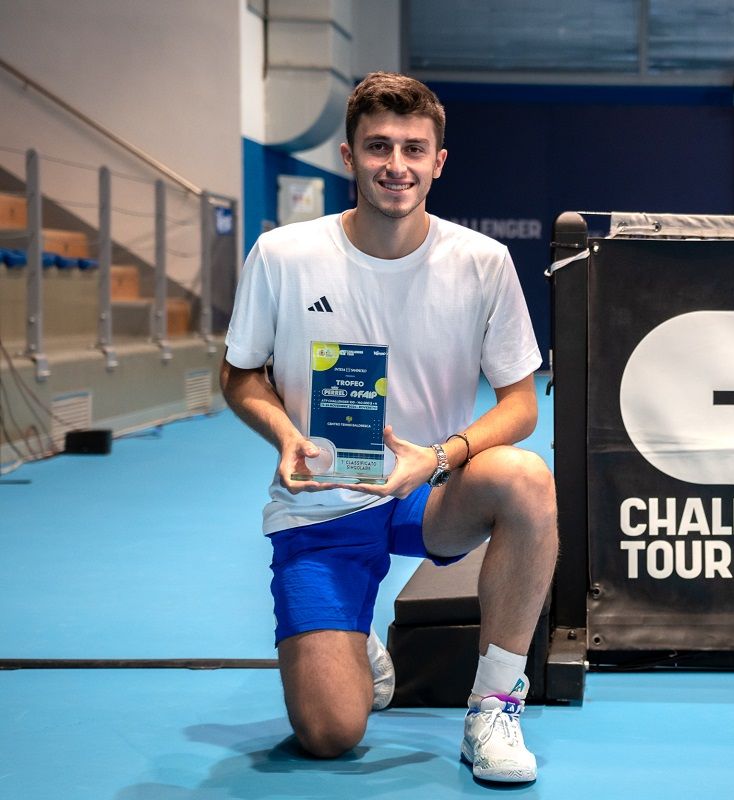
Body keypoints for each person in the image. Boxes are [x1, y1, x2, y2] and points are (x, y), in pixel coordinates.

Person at [220, 72, 557, 784]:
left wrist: (439, 456)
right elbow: (241, 374)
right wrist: (285, 434)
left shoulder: (483, 263)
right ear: (348, 156)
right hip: (322, 501)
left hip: (427, 490)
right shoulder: (281, 256)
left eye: (413, 148)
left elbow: (521, 406)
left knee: (525, 478)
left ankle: (494, 706)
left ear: (439, 160)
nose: (395, 165)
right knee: (330, 734)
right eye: (377, 146)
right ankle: (354, 637)